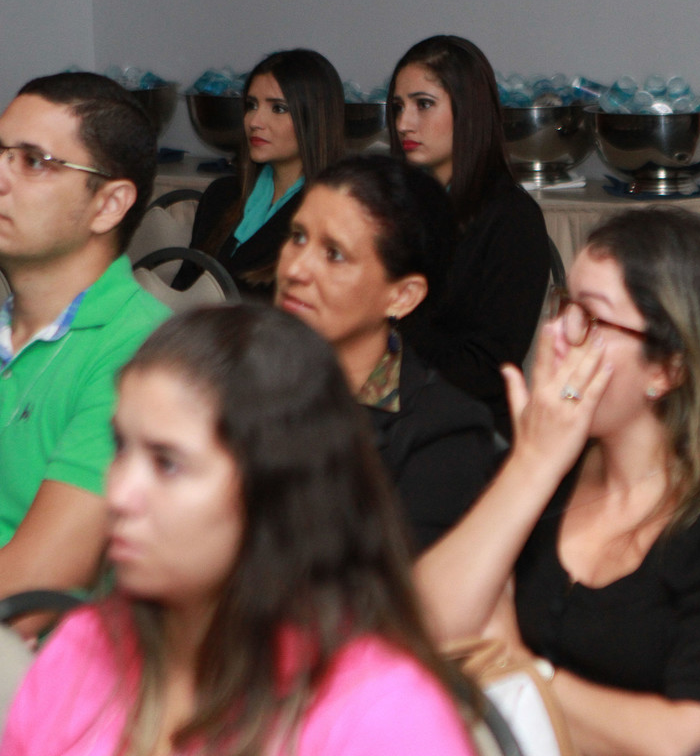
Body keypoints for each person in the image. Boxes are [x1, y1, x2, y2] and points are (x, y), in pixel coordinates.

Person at [416, 207, 700, 756]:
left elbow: (693, 740)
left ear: (667, 368)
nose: (557, 334)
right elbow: (423, 630)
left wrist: (521, 671)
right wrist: (530, 464)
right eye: (564, 307)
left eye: (592, 320)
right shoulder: (547, 470)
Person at [0, 305, 477, 756]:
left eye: (167, 464)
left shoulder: (379, 716)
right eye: (122, 447)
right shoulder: (85, 647)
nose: (120, 492)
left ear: (273, 491)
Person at [0, 72, 169, 633]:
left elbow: (32, 595)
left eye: (34, 161)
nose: (2, 176)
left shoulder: (144, 357)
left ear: (108, 205)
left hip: (44, 679)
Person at [275, 154, 495, 553]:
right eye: (297, 237)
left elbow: (408, 600)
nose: (295, 269)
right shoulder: (236, 378)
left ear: (402, 295)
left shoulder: (442, 433)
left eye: (334, 254)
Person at [387, 34, 550, 439]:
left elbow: (488, 370)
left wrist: (386, 316)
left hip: (464, 430)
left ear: (469, 110)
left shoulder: (513, 219)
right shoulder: (396, 204)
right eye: (397, 107)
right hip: (388, 411)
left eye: (424, 105)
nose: (404, 123)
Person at [175, 49, 345, 299]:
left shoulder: (334, 214)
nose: (255, 121)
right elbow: (181, 289)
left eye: (278, 108)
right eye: (251, 105)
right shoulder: (222, 195)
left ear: (316, 118)